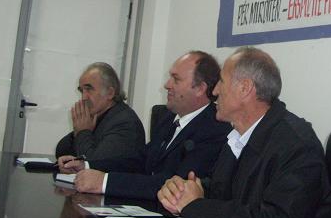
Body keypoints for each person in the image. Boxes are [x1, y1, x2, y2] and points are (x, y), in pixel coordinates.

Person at [157, 47, 331, 218]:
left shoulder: (297, 145)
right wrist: (187, 190)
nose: (214, 91)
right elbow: (226, 191)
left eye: (221, 82)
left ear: (245, 88)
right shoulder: (238, 136)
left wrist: (195, 206)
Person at [60, 51, 231, 200]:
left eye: (176, 79)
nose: (167, 85)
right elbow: (140, 161)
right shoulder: (167, 117)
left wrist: (105, 182)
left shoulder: (215, 129)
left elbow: (175, 184)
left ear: (200, 88)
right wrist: (88, 166)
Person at [55, 62, 145, 165]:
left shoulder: (125, 123)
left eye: (89, 89)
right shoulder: (97, 117)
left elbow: (94, 164)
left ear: (110, 93)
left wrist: (83, 132)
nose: (83, 97)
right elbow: (61, 151)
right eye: (82, 91)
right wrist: (78, 131)